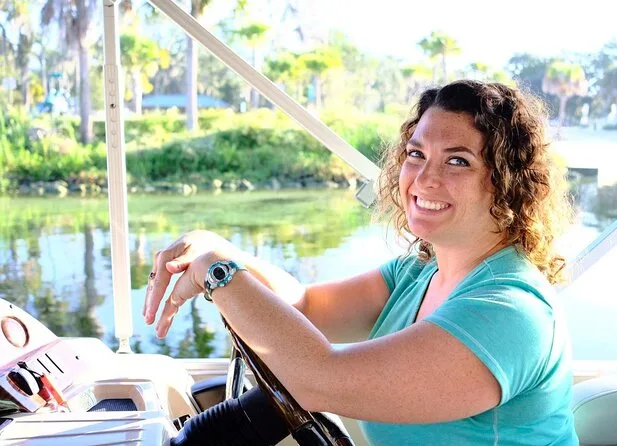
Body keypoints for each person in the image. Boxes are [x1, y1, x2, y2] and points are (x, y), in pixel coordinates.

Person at [143, 79, 578, 445]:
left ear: (507, 183)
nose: (425, 178)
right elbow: (304, 307)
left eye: (457, 161)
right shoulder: (417, 274)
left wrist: (217, 272)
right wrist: (221, 251)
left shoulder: (510, 313)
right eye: (416, 154)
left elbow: (318, 380)